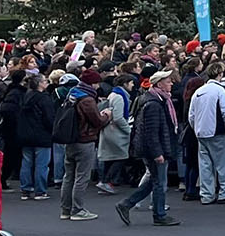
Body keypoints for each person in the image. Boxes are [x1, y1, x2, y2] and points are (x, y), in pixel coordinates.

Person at [116, 69, 181, 227]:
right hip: (154, 149)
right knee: (159, 182)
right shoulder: (153, 103)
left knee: (154, 180)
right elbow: (151, 132)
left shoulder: (156, 99)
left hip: (154, 147)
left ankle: (127, 204)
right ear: (159, 84)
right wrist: (158, 152)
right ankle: (159, 215)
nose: (171, 83)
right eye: (168, 81)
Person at [58, 71, 111, 221]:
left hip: (70, 139)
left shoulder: (72, 95)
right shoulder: (87, 100)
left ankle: (65, 209)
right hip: (85, 140)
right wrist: (106, 115)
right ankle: (78, 210)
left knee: (68, 176)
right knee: (81, 177)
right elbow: (97, 121)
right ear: (92, 83)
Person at [187, 62, 225, 205]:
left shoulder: (199, 91)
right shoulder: (222, 90)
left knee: (205, 166)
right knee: (224, 164)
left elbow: (191, 115)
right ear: (220, 74)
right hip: (218, 132)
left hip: (201, 133)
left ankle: (207, 194)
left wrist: (197, 129)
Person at [14, 72, 56, 201]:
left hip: (26, 135)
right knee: (42, 165)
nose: (47, 83)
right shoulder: (44, 99)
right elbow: (49, 118)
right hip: (42, 135)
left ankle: (26, 189)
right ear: (40, 84)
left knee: (26, 163)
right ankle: (40, 190)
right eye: (45, 81)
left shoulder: (25, 97)